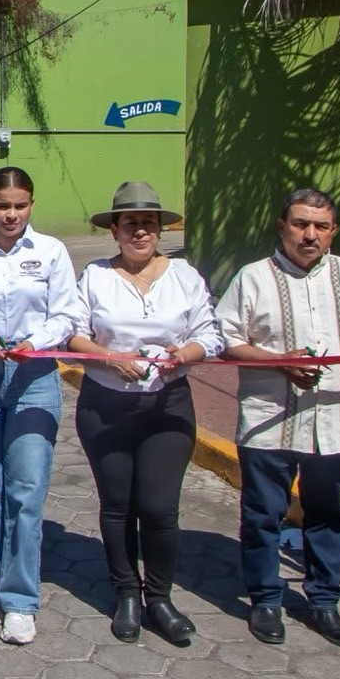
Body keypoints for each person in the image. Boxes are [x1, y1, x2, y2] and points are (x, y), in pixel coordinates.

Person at [218, 188, 340, 648]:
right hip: (270, 420)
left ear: (333, 231)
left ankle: (324, 602)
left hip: (338, 419)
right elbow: (227, 340)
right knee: (264, 514)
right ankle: (265, 599)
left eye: (321, 226)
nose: (310, 235)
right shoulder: (253, 277)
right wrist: (280, 361)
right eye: (300, 224)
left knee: (327, 513)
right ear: (282, 227)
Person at [68, 181, 224, 646]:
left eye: (149, 223)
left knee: (159, 507)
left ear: (160, 230)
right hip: (106, 405)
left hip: (167, 405)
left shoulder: (185, 276)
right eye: (131, 223)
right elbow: (72, 333)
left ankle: (159, 597)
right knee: (118, 506)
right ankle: (126, 594)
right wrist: (109, 357)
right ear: (114, 230)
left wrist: (186, 353)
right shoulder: (95, 276)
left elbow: (211, 333)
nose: (141, 231)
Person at [0, 167, 81, 646]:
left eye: (20, 205)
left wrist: (35, 342)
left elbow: (67, 314)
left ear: (31, 205)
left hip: (34, 377)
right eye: (2, 205)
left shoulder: (51, 252)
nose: (11, 214)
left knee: (26, 491)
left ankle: (21, 598)